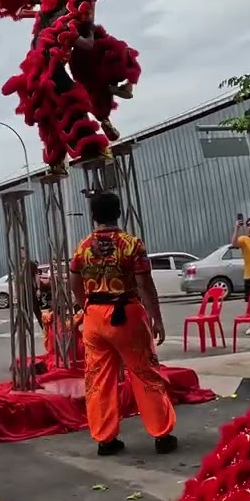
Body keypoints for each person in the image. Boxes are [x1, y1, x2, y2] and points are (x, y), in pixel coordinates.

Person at [70, 190, 176, 457]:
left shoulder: (82, 247)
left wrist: (86, 305)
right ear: (118, 212)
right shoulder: (132, 244)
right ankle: (161, 434)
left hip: (94, 315)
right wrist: (157, 318)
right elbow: (144, 284)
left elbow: (73, 280)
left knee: (98, 379)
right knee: (145, 373)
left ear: (93, 216)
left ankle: (105, 439)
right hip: (127, 314)